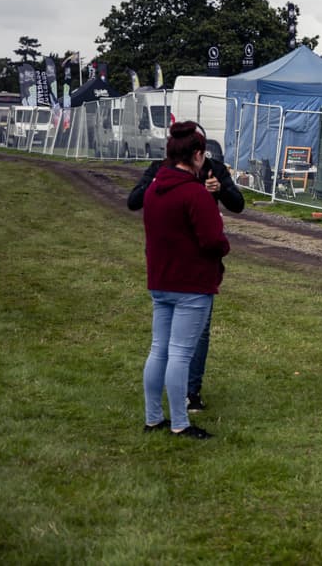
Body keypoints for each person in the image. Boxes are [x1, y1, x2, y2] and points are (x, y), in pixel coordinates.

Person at [128, 134, 244, 413]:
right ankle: (179, 412)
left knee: (173, 342)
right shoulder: (161, 174)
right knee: (176, 347)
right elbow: (134, 200)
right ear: (196, 154)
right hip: (182, 267)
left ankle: (177, 400)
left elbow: (238, 204)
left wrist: (219, 190)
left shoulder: (213, 170)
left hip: (173, 267)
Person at [142, 121, 231, 439]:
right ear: (196, 155)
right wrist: (223, 239)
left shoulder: (154, 189)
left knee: (159, 350)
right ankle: (180, 422)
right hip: (191, 283)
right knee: (180, 353)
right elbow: (212, 240)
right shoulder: (195, 194)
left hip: (161, 279)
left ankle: (154, 417)